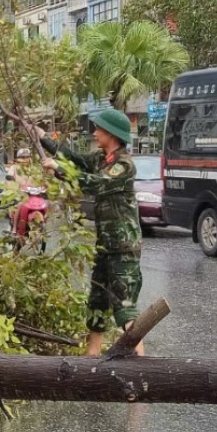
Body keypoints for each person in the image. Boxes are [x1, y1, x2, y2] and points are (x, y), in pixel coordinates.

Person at [36, 109, 142, 357]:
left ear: (112, 134)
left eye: (99, 129)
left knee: (125, 308)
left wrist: (59, 169)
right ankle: (91, 359)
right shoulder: (100, 158)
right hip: (105, 246)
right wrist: (44, 138)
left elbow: (97, 183)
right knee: (97, 303)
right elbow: (74, 158)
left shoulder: (124, 165)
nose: (94, 133)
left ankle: (141, 369)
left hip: (124, 248)